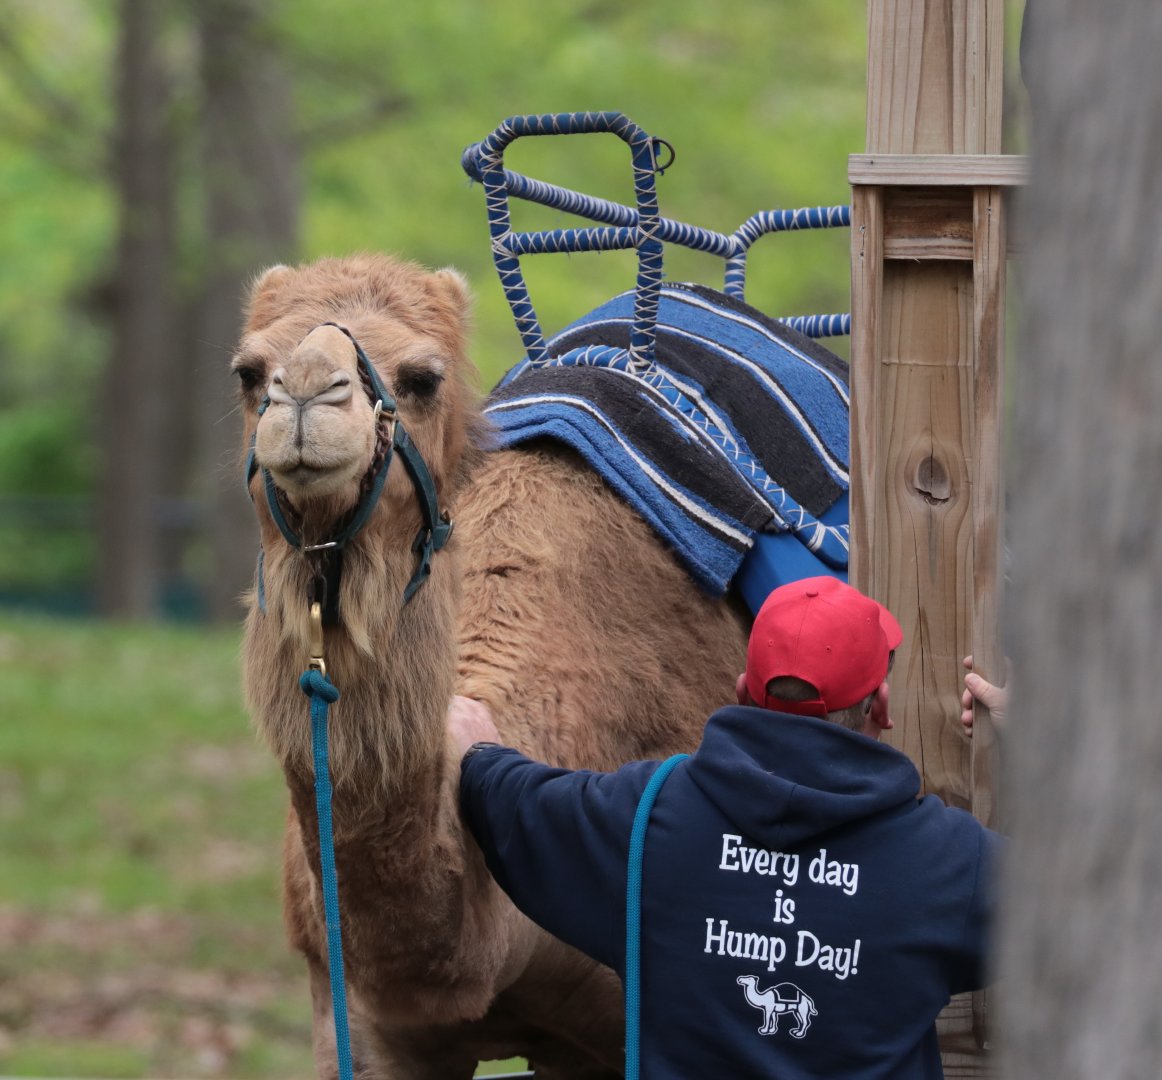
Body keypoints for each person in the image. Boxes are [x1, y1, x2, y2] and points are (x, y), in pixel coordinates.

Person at [449, 576, 1003, 1078]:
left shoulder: (643, 824)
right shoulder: (951, 863)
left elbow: (519, 808)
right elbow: (1083, 908)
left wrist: (478, 754)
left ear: (742, 692)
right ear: (879, 706)